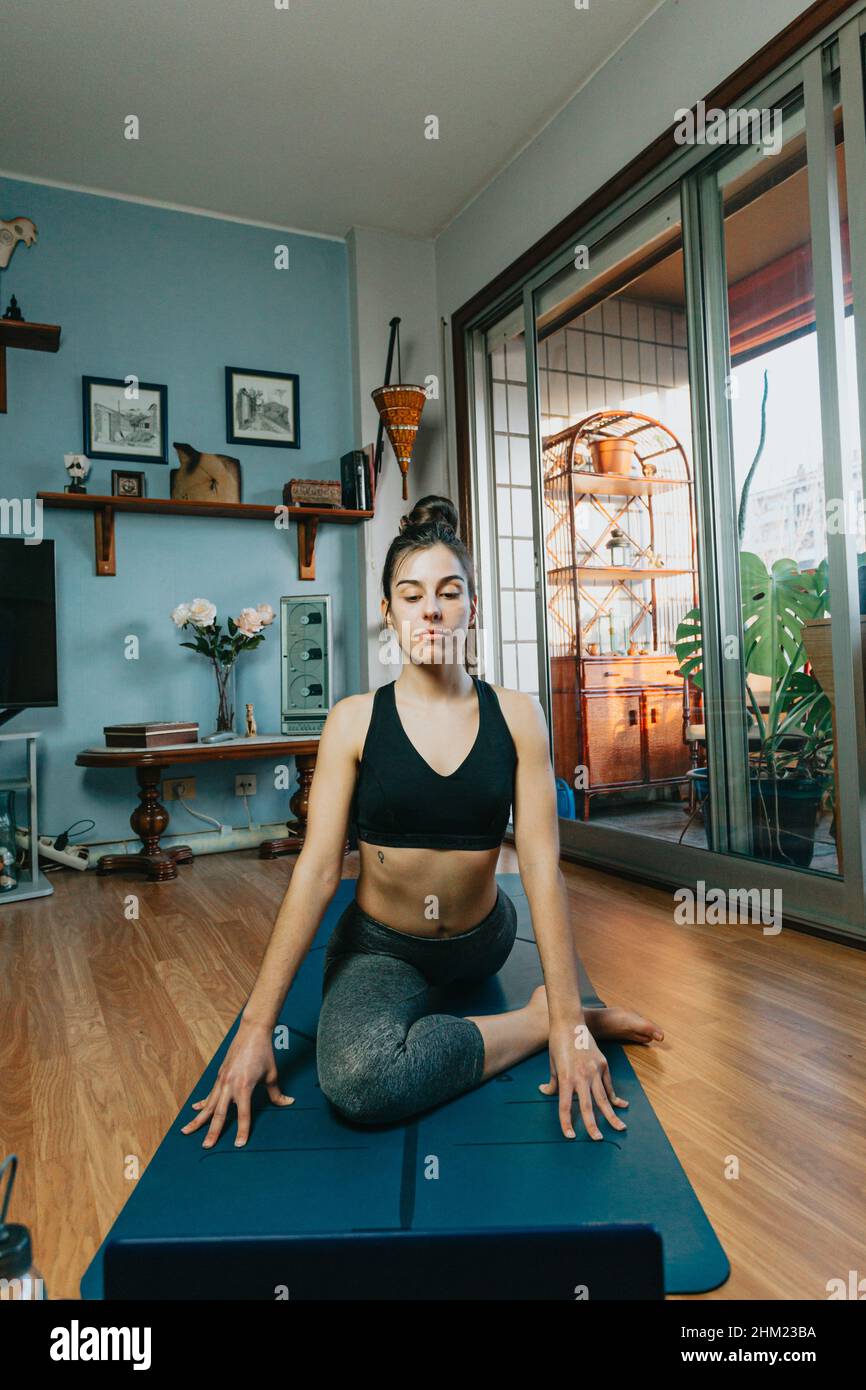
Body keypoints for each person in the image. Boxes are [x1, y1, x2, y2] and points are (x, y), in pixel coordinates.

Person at [181, 495, 663, 1151]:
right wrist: (254, 1028)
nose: (431, 609)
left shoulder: (518, 716)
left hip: (485, 938)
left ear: (472, 608)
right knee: (358, 1081)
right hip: (385, 948)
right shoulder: (352, 720)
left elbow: (543, 866)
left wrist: (571, 1029)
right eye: (411, 595)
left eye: (449, 592)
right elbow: (319, 871)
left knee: (507, 977)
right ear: (389, 613)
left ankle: (565, 1014)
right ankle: (531, 1021)